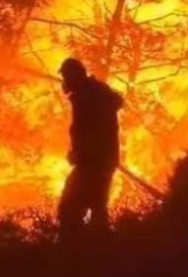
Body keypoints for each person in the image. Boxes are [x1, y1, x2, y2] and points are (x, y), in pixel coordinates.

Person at [57, 58, 123, 242]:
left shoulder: (88, 97)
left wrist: (80, 154)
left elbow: (92, 132)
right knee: (97, 206)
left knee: (69, 209)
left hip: (93, 163)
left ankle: (73, 254)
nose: (64, 81)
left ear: (74, 76)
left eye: (65, 76)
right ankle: (98, 252)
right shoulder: (92, 92)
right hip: (100, 161)